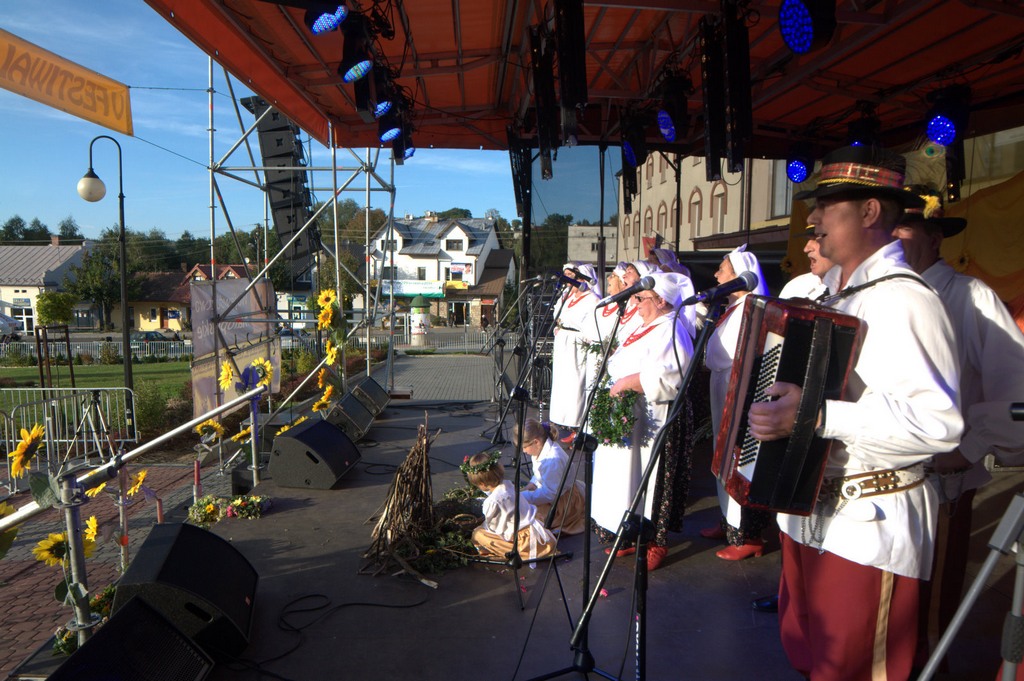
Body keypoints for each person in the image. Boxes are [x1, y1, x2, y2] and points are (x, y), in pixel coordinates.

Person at [747, 145, 963, 681]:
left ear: (869, 212)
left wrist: (816, 417)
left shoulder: (906, 300)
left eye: (828, 206)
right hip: (809, 514)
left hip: (870, 524)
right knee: (810, 660)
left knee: (854, 671)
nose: (814, 217)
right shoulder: (833, 296)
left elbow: (939, 425)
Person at [893, 184, 1024, 668]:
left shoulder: (969, 296)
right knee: (890, 611)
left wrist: (969, 450)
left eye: (905, 228)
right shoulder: (885, 295)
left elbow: (1016, 391)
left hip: (938, 483)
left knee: (926, 616)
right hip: (881, 483)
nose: (893, 238)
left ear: (934, 237)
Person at [590, 272, 695, 570]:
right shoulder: (644, 325)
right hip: (629, 416)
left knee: (650, 481)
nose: (635, 303)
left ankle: (654, 541)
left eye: (641, 298)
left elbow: (671, 376)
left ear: (661, 300)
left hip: (653, 420)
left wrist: (626, 382)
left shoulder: (671, 329)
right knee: (625, 478)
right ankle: (629, 532)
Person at [702, 243, 772, 561]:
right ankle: (729, 520)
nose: (717, 275)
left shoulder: (751, 309)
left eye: (722, 269)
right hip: (722, 382)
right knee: (722, 455)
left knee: (739, 458)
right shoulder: (732, 308)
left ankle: (748, 534)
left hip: (739, 386)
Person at [466, 451, 557, 561]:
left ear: (482, 484)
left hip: (524, 541)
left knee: (478, 534)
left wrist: (482, 526)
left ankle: (521, 553)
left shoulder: (492, 502)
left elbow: (494, 528)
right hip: (538, 533)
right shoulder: (509, 485)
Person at [548, 263, 598, 440]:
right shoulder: (568, 297)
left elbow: (591, 327)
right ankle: (561, 420)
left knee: (576, 383)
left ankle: (576, 425)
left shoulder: (592, 299)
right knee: (562, 382)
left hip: (576, 344)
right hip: (563, 342)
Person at [515, 418, 587, 535]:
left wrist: (523, 496)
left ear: (536, 441)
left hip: (561, 502)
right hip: (551, 493)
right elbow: (540, 473)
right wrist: (532, 483)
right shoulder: (539, 449)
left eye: (524, 447)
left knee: (524, 518)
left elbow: (550, 494)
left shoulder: (553, 460)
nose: (523, 451)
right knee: (517, 510)